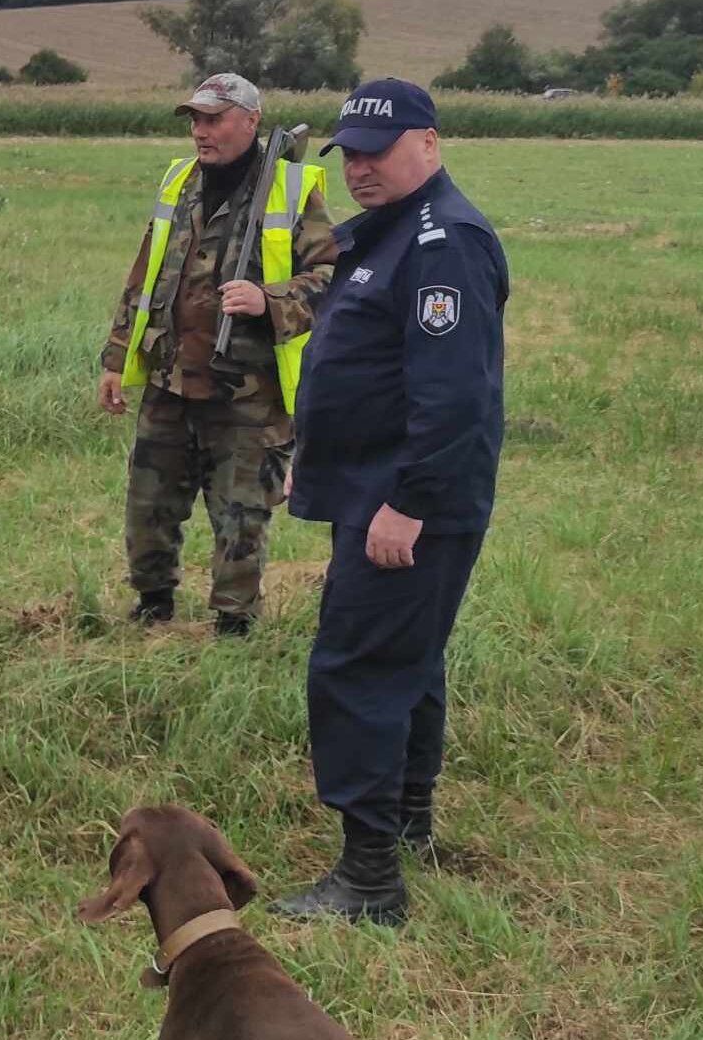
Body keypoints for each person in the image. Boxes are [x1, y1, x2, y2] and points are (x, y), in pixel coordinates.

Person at [271, 78, 508, 925]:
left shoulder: (443, 243)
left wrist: (408, 502)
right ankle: (407, 828)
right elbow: (362, 367)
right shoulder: (392, 232)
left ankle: (369, 880)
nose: (361, 168)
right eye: (352, 154)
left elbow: (452, 398)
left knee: (359, 669)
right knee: (407, 661)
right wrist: (318, 459)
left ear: (430, 143)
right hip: (372, 487)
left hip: (406, 501)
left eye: (379, 150)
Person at [96, 73, 336, 636]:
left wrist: (268, 298)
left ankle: (234, 622)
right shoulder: (180, 180)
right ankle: (153, 603)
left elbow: (334, 277)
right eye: (195, 120)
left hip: (248, 390)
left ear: (250, 122)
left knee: (241, 513)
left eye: (213, 119)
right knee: (148, 503)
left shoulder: (292, 188)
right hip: (169, 380)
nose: (200, 132)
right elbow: (144, 274)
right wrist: (115, 359)